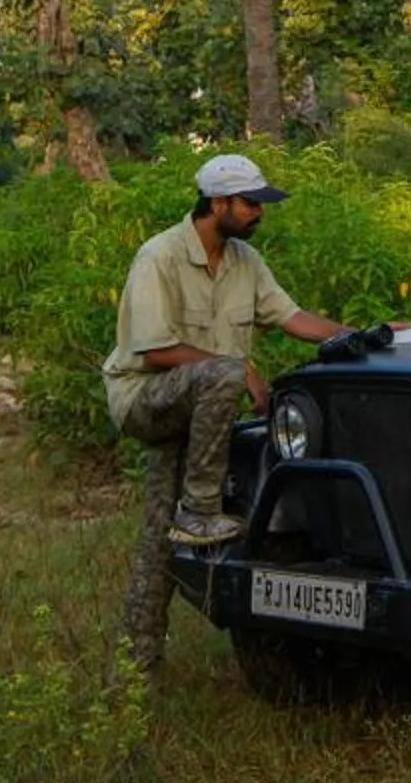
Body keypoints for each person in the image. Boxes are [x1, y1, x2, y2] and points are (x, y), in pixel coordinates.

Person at [105, 153, 350, 558]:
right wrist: (237, 369)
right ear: (219, 203)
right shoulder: (159, 256)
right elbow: (155, 349)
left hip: (198, 404)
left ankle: (144, 621)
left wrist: (365, 336)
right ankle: (202, 509)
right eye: (250, 204)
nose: (259, 213)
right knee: (224, 374)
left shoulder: (245, 261)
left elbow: (292, 317)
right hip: (143, 398)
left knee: (162, 535)